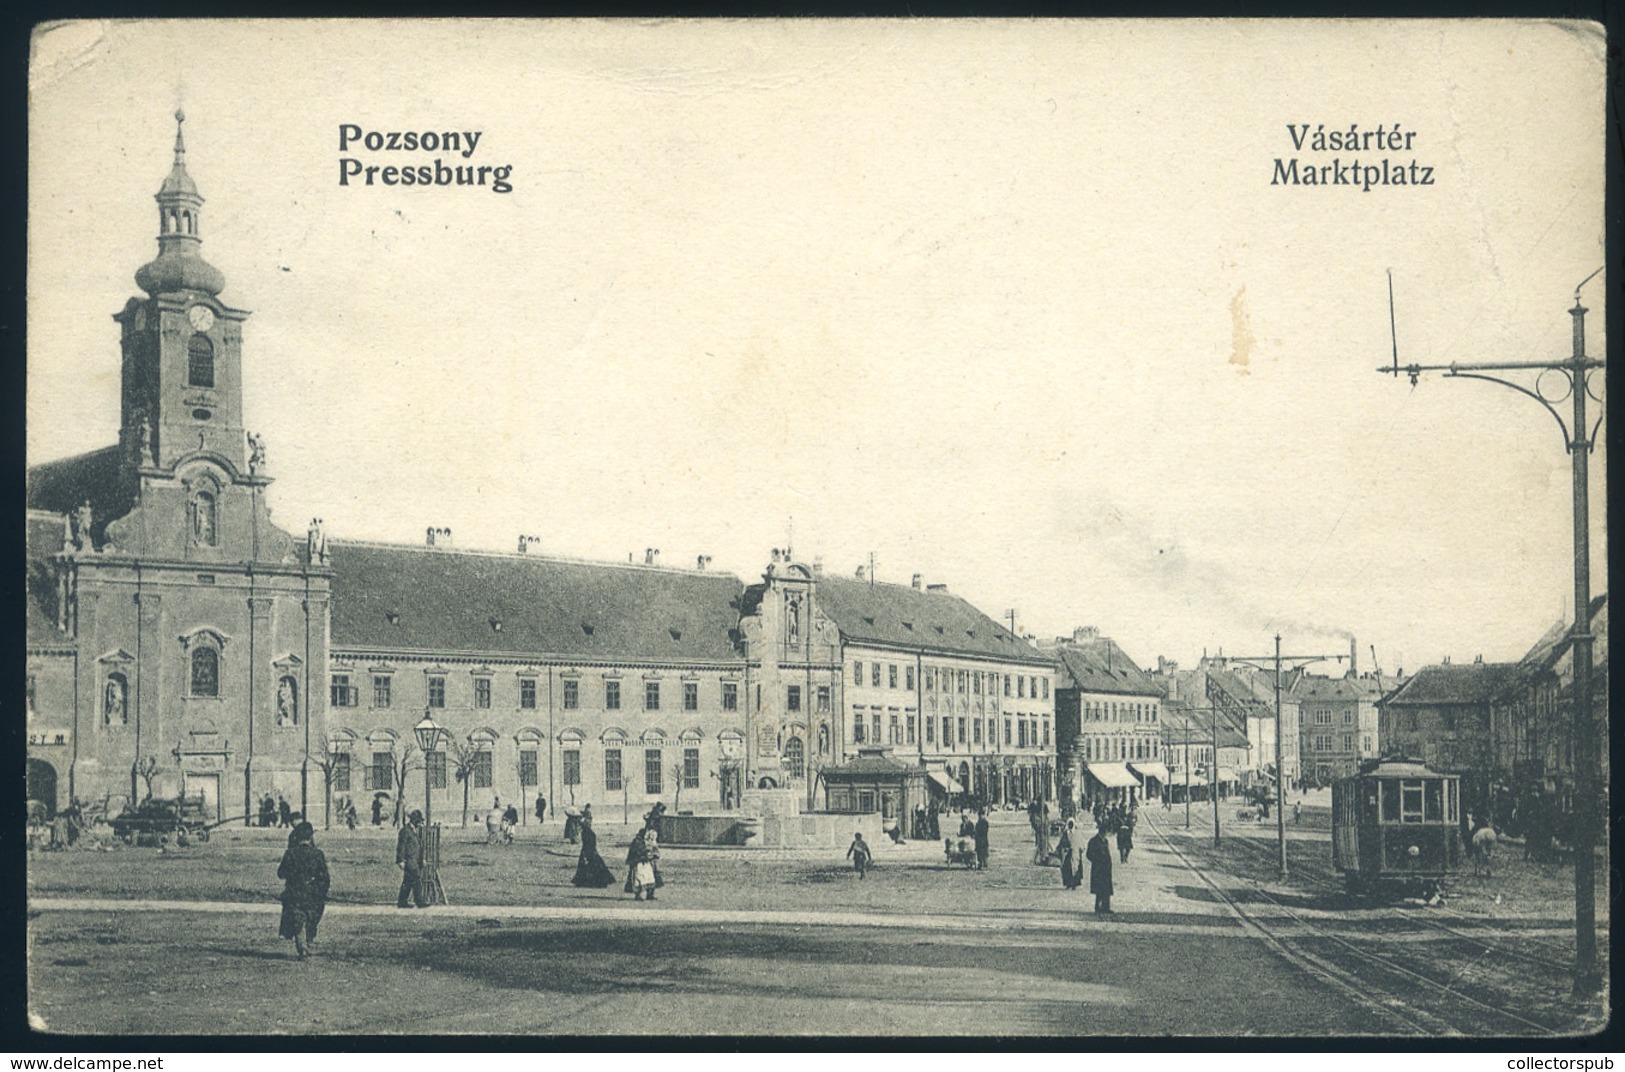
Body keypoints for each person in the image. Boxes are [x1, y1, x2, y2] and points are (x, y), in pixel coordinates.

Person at [277, 821, 330, 959]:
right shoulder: (318, 854)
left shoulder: (290, 853)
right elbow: (324, 877)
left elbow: (280, 873)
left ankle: (300, 937)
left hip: (294, 894)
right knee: (312, 916)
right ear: (311, 837)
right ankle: (308, 938)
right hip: (312, 896)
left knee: (294, 914)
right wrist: (320, 892)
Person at [571, 807, 617, 888]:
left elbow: (589, 841)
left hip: (588, 850)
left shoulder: (586, 831)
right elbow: (590, 841)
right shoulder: (587, 831)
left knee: (590, 866)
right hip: (590, 850)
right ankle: (597, 881)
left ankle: (590, 881)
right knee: (594, 865)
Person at [396, 810, 428, 908]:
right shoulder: (405, 831)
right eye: (418, 821)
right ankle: (420, 902)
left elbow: (418, 846)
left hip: (415, 860)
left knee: (408, 882)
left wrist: (422, 859)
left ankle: (402, 902)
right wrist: (400, 860)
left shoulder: (414, 830)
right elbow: (401, 846)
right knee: (416, 880)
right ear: (414, 820)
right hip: (409, 861)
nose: (420, 823)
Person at [1085, 823, 1114, 915]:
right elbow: (1088, 854)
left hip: (1106, 869)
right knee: (1099, 889)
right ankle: (1098, 907)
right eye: (1104, 832)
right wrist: (1096, 860)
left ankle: (1106, 907)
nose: (1104, 834)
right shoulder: (1093, 841)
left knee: (1106, 889)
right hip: (1098, 868)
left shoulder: (1105, 841)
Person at [628, 827, 661, 900]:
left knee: (649, 878)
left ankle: (649, 894)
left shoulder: (641, 841)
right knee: (639, 879)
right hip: (639, 862)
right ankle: (638, 895)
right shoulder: (637, 841)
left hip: (645, 862)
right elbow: (638, 852)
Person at [1058, 818, 1083, 890]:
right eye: (1069, 824)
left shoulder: (1077, 833)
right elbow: (1062, 843)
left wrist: (1080, 850)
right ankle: (1068, 883)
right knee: (1067, 868)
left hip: (1076, 853)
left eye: (1072, 824)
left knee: (1076, 868)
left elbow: (1081, 842)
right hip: (1068, 853)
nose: (1070, 825)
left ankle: (1074, 884)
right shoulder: (1066, 833)